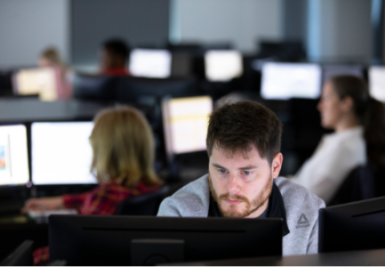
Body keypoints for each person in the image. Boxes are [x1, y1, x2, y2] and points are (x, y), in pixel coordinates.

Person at [158, 100, 325, 256]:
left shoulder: (309, 211)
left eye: (246, 172)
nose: (231, 187)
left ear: (275, 167)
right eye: (222, 171)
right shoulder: (178, 214)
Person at [22, 106, 162, 266]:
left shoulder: (106, 195)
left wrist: (27, 259)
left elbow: (69, 249)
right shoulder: (145, 188)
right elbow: (95, 199)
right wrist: (60, 201)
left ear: (105, 150)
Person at [292, 75, 385, 203]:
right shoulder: (344, 142)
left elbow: (306, 199)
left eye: (326, 98)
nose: (320, 106)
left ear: (346, 103)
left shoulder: (345, 148)